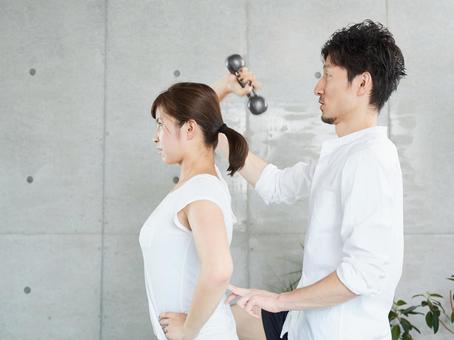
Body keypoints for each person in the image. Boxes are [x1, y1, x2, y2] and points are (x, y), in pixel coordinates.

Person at [213, 19, 407, 340]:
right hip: (307, 326)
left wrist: (278, 301)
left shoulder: (370, 159)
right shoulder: (342, 156)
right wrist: (216, 126)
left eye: (328, 76)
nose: (317, 88)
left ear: (362, 84)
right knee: (224, 321)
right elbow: (274, 184)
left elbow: (364, 272)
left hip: (340, 332)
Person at [139, 82, 250, 340]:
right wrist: (225, 87)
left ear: (189, 128)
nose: (155, 137)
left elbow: (219, 269)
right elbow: (204, 115)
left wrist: (188, 332)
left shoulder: (201, 191)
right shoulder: (197, 186)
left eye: (160, 125)